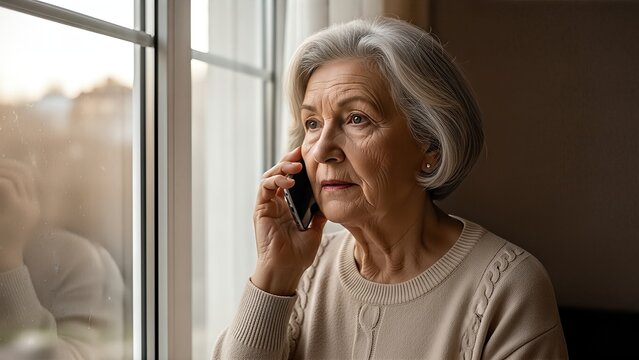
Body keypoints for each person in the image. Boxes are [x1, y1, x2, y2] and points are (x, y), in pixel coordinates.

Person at [214, 17, 568, 359]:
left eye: (356, 119)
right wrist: (274, 274)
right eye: (312, 123)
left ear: (430, 144)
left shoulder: (507, 287)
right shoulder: (301, 272)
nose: (321, 150)